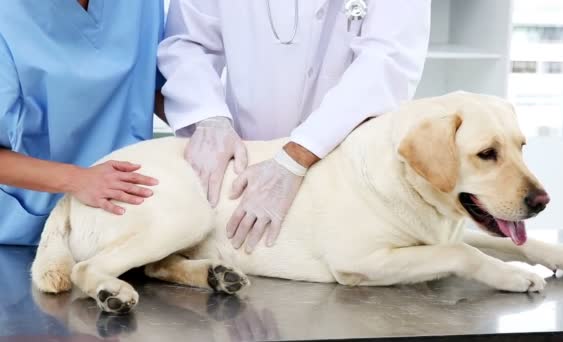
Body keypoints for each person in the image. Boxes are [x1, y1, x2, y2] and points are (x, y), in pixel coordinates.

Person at [159, 0, 431, 253]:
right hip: (245, 160)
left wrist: (298, 154)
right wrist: (209, 117)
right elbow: (188, 43)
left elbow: (387, 60)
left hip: (350, 166)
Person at [0, 0, 166, 245]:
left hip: (128, 216)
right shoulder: (8, 17)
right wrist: (77, 179)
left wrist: (212, 128)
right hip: (33, 231)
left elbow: (159, 85)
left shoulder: (141, 6)